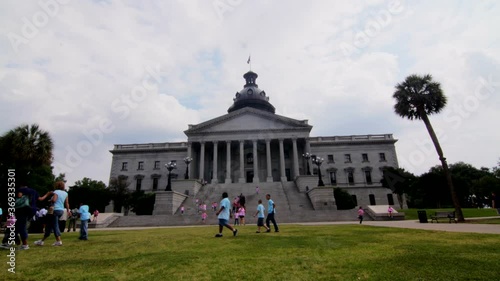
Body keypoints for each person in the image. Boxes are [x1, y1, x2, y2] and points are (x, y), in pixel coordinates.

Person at [34, 181, 70, 246]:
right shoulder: (65, 193)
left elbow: (54, 200)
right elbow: (66, 203)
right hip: (61, 210)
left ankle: (58, 241)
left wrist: (50, 200)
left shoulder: (56, 192)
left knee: (55, 225)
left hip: (54, 210)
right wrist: (68, 211)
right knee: (49, 225)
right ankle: (42, 241)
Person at [15, 181, 40, 250]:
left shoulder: (21, 190)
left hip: (22, 209)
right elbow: (40, 199)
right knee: (21, 226)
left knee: (21, 226)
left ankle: (25, 244)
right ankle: (20, 241)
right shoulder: (33, 191)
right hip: (31, 210)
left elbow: (19, 196)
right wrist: (47, 194)